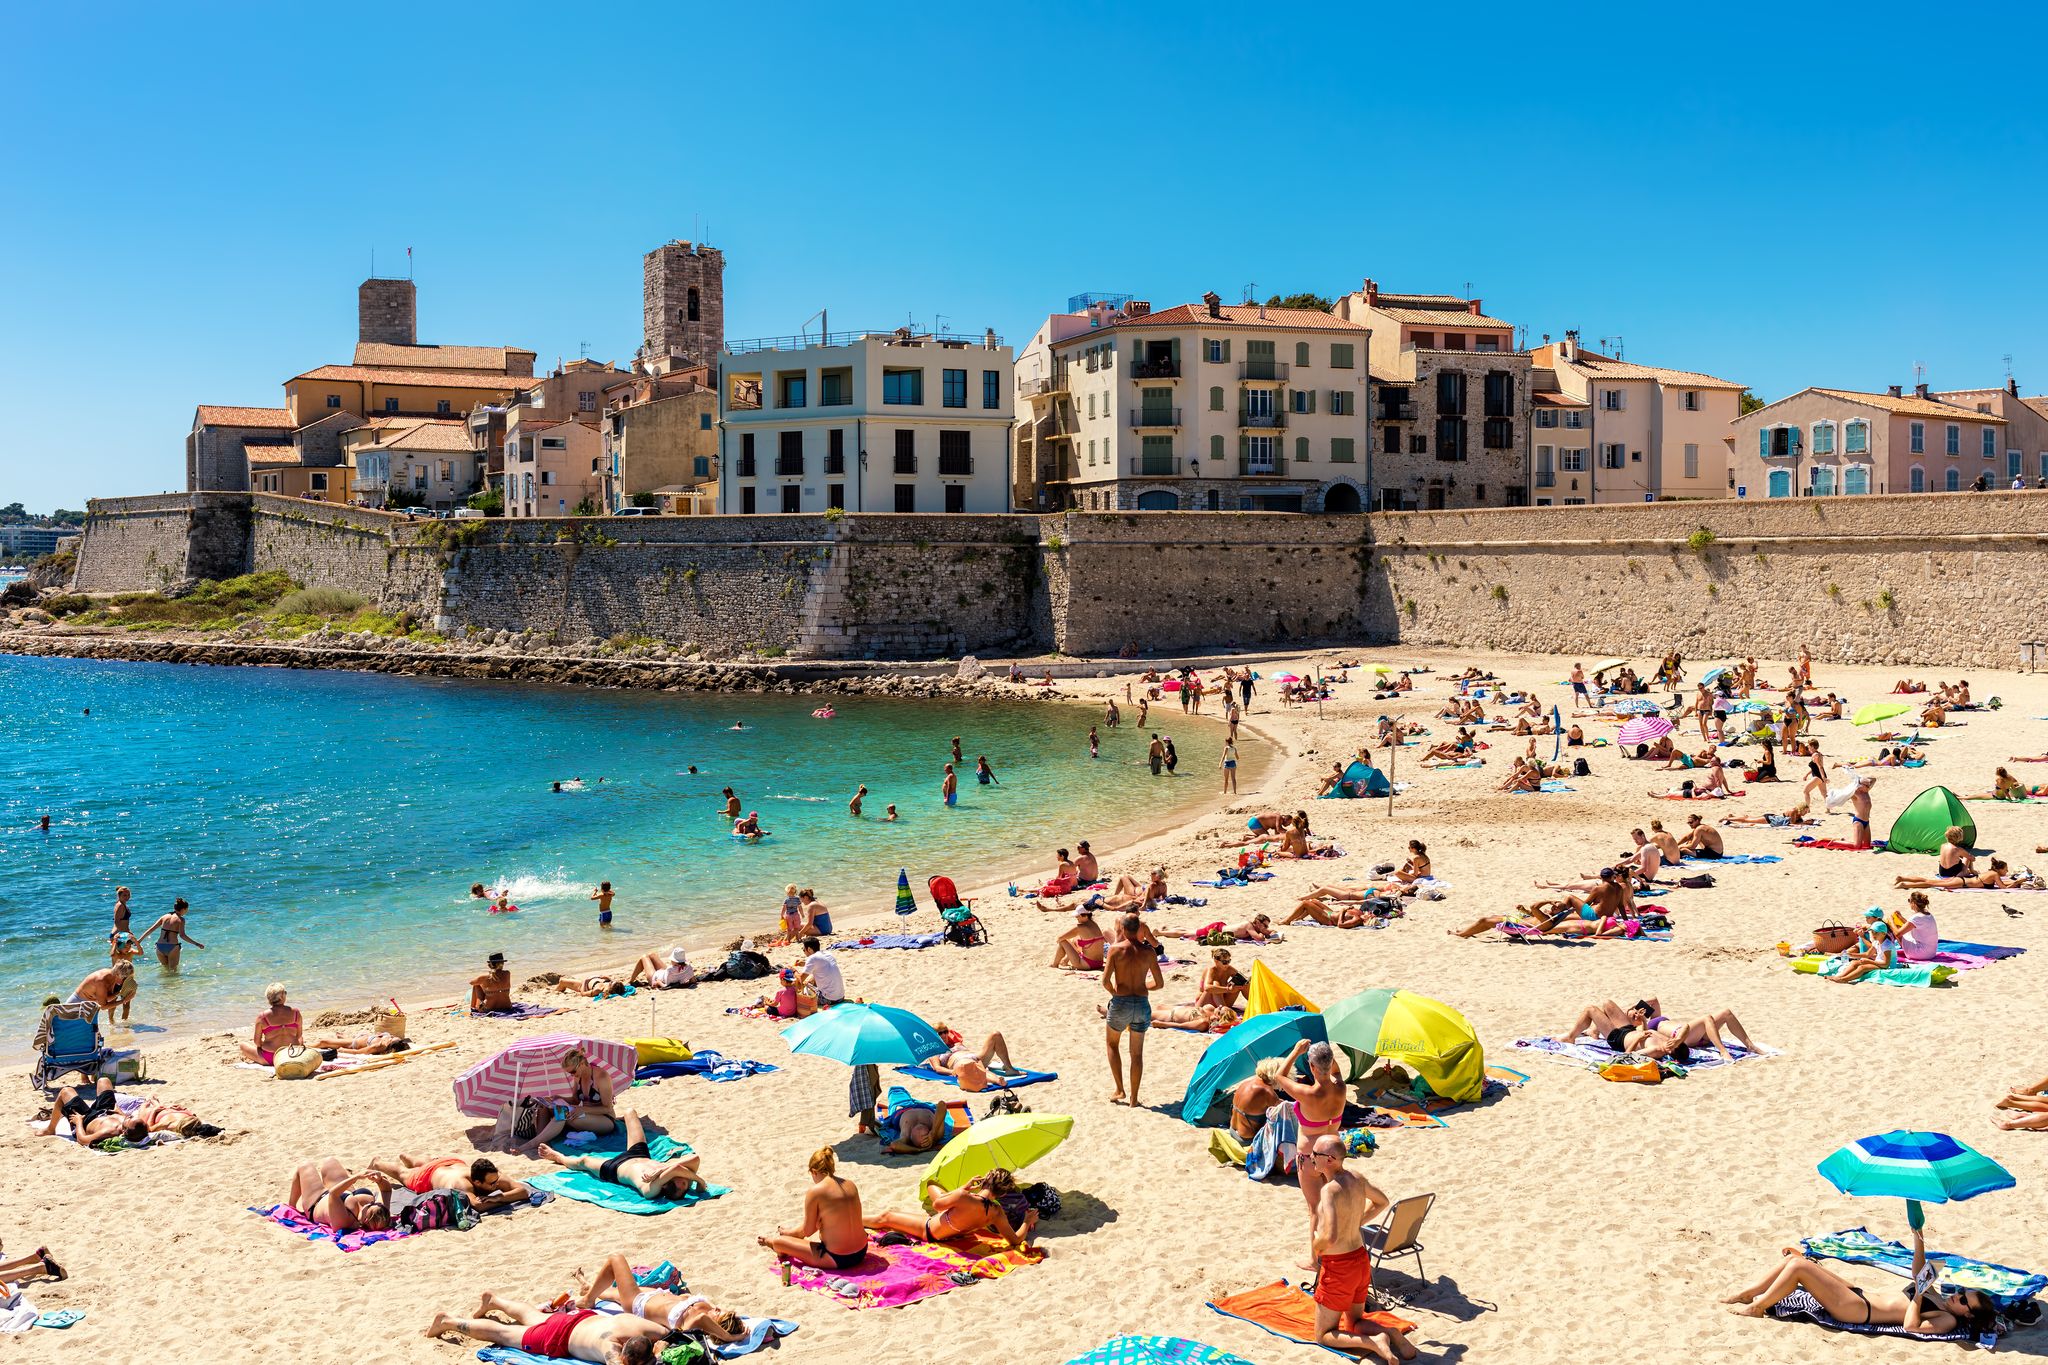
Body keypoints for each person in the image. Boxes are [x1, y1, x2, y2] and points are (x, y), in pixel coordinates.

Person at [1722, 1228, 1994, 1337]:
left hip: (1858, 1310)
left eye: (1962, 1299)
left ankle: (1757, 1308)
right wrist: (1918, 1238)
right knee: (1797, 1260)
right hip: (1859, 1294)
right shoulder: (1937, 1296)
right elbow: (1917, 1271)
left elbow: (1912, 1326)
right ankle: (1750, 1294)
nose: (1956, 1295)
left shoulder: (1948, 1320)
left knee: (1800, 1267)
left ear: (1967, 1313)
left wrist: (1919, 1296)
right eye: (1960, 1292)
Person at [1305, 1136, 1410, 1362]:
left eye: (1315, 1154)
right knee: (1353, 1323)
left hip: (1339, 1268)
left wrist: (1316, 1245)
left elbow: (1330, 1236)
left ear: (1330, 1159)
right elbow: (1382, 1201)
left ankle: (1375, 1343)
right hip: (1361, 1261)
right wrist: (1357, 1222)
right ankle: (1390, 1333)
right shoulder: (1357, 1178)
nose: (1311, 1157)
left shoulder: (1329, 1190)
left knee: (1322, 1335)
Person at [424, 1291, 671, 1363]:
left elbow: (669, 1334)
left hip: (579, 1319)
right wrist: (658, 1355)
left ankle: (495, 1300)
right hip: (556, 1337)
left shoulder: (640, 1328)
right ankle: (448, 1321)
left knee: (531, 1314)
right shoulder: (610, 1347)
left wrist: (661, 1346)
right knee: (503, 1334)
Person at [1276, 1042, 1349, 1271]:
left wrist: (1295, 1051)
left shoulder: (1307, 1093)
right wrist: (1327, 1055)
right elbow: (1335, 1070)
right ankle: (1335, 1250)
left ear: (1311, 1066)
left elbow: (1279, 1076)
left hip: (1310, 1158)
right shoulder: (1341, 1087)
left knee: (1315, 1208)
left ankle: (1314, 1260)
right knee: (1333, 1205)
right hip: (1334, 1156)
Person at [571, 1254, 746, 1342]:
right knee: (611, 1293)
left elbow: (701, 1318)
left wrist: (729, 1337)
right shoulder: (708, 1309)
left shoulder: (696, 1323)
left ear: (716, 1328)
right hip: (653, 1295)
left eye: (719, 1314)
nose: (718, 1309)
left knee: (616, 1260)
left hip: (637, 1303)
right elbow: (703, 1308)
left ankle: (588, 1300)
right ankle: (587, 1287)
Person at [538, 1109, 706, 1201]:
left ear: (667, 1186)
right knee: (630, 1112)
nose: (687, 1179)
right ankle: (608, 1117)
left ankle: (556, 1156)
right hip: (639, 1154)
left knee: (583, 1161)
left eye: (683, 1182)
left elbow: (677, 1167)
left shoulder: (651, 1190)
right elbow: (695, 1159)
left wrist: (665, 1170)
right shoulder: (669, 1173)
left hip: (616, 1168)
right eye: (687, 1181)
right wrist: (699, 1181)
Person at [758, 1147, 867, 1271]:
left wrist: (817, 1223)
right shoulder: (850, 1184)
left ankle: (778, 1239)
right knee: (817, 1220)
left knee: (778, 1241)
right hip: (862, 1251)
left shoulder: (816, 1191)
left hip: (837, 1258)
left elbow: (808, 1231)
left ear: (814, 1171)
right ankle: (790, 1233)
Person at [864, 1170, 1030, 1249]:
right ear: (1001, 1192)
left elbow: (937, 1205)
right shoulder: (997, 1212)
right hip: (957, 1232)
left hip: (930, 1231)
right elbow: (1015, 1240)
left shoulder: (964, 1197)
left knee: (887, 1216)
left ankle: (854, 1219)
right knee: (940, 1195)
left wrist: (963, 1189)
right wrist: (1027, 1221)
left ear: (985, 1180)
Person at [1102, 912, 1163, 1106]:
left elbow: (1105, 981)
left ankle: (1120, 1090)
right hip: (1142, 1003)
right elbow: (1159, 983)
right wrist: (1145, 987)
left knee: (1112, 1044)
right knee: (1136, 1054)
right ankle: (1134, 1098)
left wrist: (1114, 993)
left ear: (1122, 929)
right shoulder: (1148, 952)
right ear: (1138, 930)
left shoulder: (1115, 950)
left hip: (1121, 1002)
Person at [367, 1155, 530, 1210]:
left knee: (427, 1163)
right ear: (477, 1182)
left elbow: (523, 1191)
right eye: (491, 1184)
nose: (496, 1185)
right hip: (429, 1176)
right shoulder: (463, 1185)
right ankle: (378, 1162)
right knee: (403, 1174)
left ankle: (410, 1158)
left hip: (450, 1163)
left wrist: (498, 1197)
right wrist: (504, 1198)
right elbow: (477, 1205)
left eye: (496, 1182)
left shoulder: (493, 1174)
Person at [285, 1159, 395, 1232]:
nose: (372, 1202)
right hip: (346, 1192)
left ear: (366, 1219)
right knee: (330, 1162)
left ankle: (292, 1206)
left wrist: (356, 1177)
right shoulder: (381, 1215)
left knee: (304, 1166)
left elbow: (333, 1194)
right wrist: (380, 1180)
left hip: (317, 1200)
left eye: (371, 1205)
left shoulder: (345, 1220)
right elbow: (386, 1191)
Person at [39, 1076, 152, 1146]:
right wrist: (121, 1113)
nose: (129, 1116)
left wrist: (78, 1122)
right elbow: (134, 1123)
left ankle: (50, 1129)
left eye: (129, 1119)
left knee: (65, 1091)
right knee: (104, 1080)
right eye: (131, 1117)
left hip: (86, 1119)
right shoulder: (132, 1125)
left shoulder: (108, 1131)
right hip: (106, 1111)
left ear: (123, 1131)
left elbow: (83, 1140)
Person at [921, 1029, 1020, 1092]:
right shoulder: (934, 1051)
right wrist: (952, 1072)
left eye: (945, 1031)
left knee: (996, 1035)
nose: (944, 1035)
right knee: (972, 1067)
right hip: (960, 1063)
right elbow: (937, 1068)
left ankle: (1009, 1068)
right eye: (940, 1033)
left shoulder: (955, 1043)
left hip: (975, 1058)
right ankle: (997, 1080)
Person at [239, 983, 303, 1064]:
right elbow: (299, 1035)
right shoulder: (296, 1013)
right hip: (292, 1055)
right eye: (285, 992)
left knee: (242, 1045)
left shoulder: (262, 1017)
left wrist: (266, 1045)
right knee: (301, 1040)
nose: (286, 994)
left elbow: (257, 1042)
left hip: (271, 1057)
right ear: (281, 996)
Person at [1229, 1057, 1286, 1141]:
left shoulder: (1246, 1083)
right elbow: (1284, 1109)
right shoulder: (1266, 1091)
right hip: (1246, 1138)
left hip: (1232, 1130)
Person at [139, 897, 204, 970]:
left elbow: (151, 929)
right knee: (173, 971)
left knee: (165, 970)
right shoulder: (181, 920)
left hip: (160, 946)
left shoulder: (164, 916)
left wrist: (139, 940)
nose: (187, 911)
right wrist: (196, 944)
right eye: (187, 909)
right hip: (172, 947)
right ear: (183, 909)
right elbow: (182, 935)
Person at [798, 936, 843, 1005]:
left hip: (828, 999)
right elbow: (820, 964)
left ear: (809, 949)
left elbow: (800, 979)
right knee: (815, 975)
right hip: (840, 997)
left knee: (804, 986)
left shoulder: (812, 958)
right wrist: (804, 963)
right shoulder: (828, 954)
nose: (804, 952)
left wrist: (793, 971)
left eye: (804, 949)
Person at [628, 946, 695, 989]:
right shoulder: (688, 967)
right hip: (665, 974)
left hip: (654, 977)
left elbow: (666, 986)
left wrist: (658, 982)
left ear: (674, 960)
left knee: (644, 957)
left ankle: (631, 981)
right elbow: (693, 981)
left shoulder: (670, 969)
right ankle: (631, 980)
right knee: (652, 955)